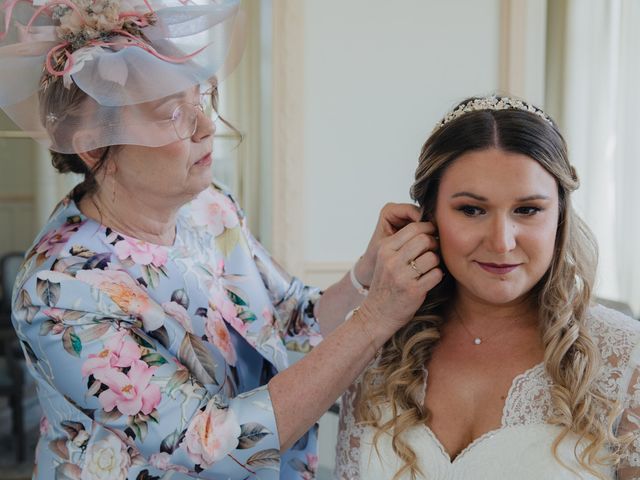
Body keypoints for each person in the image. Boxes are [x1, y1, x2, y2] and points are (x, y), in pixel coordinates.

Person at [0, 1, 445, 478]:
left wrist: (366, 272)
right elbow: (210, 448)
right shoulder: (59, 291)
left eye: (202, 97)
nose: (207, 126)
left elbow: (289, 320)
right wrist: (375, 318)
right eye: (173, 113)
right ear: (92, 145)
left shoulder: (210, 207)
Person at [335, 95, 640, 479]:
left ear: (560, 216)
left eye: (527, 210)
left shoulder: (626, 358)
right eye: (471, 210)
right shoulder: (377, 351)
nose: (501, 242)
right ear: (429, 216)